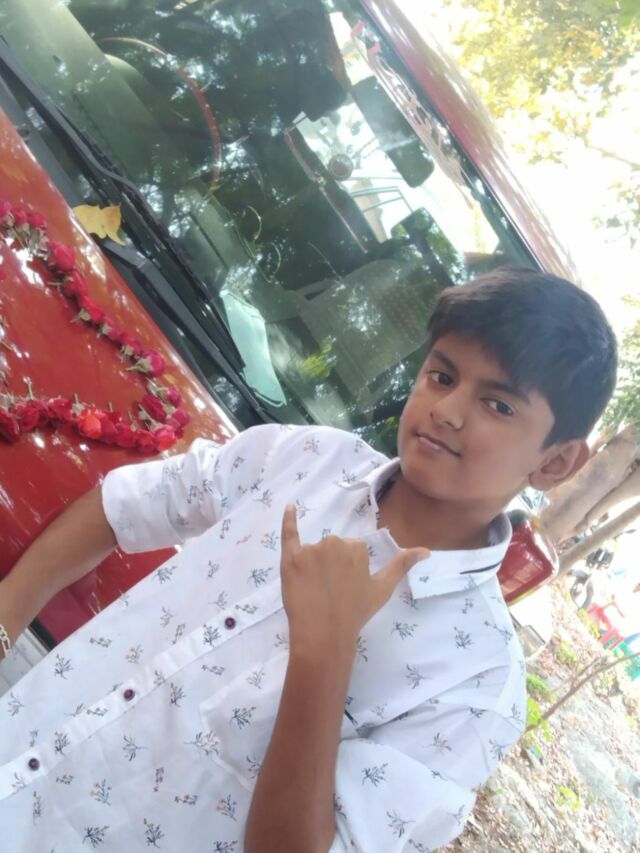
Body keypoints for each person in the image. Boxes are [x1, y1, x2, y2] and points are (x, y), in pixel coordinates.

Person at [0, 267, 617, 852]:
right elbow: (124, 505)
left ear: (556, 461)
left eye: (499, 405)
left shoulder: (476, 683)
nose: (447, 410)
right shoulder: (307, 460)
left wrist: (325, 651)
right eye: (442, 375)